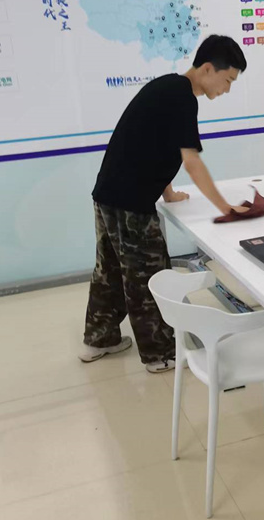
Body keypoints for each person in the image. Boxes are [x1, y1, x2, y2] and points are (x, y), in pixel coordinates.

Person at [79, 35, 248, 372]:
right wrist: (226, 208)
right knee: (149, 278)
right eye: (228, 80)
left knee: (110, 271)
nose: (227, 89)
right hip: (131, 204)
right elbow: (191, 161)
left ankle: (99, 339)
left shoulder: (168, 88)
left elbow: (151, 146)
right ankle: (160, 355)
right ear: (208, 69)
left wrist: (167, 192)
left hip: (108, 195)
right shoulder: (183, 98)